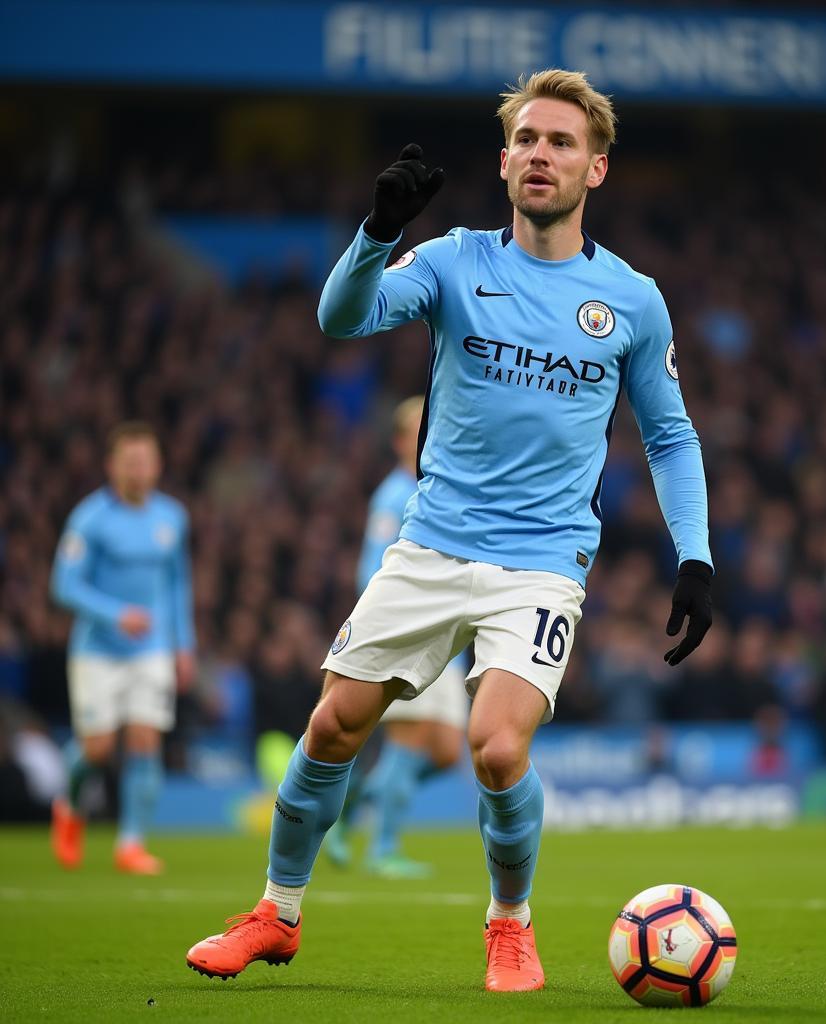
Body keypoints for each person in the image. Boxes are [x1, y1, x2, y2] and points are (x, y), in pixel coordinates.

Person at [186, 69, 713, 992]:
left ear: (597, 169)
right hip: (431, 543)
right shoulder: (453, 260)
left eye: (562, 143)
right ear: (504, 160)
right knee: (331, 727)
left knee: (497, 746)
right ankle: (277, 913)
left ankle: (509, 924)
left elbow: (668, 434)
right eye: (529, 142)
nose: (542, 155)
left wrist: (696, 556)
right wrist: (378, 232)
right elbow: (339, 318)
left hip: (543, 562)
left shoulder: (631, 299)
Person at [322, 395, 468, 878]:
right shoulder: (394, 494)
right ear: (402, 440)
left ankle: (350, 810)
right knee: (408, 742)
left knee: (447, 752)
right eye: (419, 428)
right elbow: (373, 565)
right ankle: (384, 847)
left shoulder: (454, 485)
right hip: (411, 630)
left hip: (449, 639)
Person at [50, 421, 195, 874]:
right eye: (129, 462)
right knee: (96, 750)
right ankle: (69, 805)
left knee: (145, 740)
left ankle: (131, 842)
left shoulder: (171, 517)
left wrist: (182, 644)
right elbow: (64, 585)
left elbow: (176, 585)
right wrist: (116, 614)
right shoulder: (90, 518)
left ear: (158, 465)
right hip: (97, 650)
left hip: (150, 649)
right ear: (111, 466)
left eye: (145, 461)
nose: (138, 470)